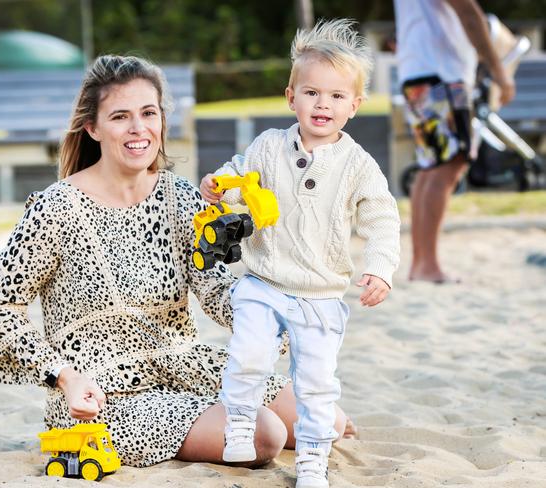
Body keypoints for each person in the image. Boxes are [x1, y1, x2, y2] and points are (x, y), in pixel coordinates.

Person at [0, 54, 355, 470]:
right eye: (120, 116)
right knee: (266, 435)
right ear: (93, 128)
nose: (138, 128)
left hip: (185, 363)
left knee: (329, 422)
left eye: (148, 113)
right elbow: (0, 308)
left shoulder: (179, 196)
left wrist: (272, 314)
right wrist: (63, 377)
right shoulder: (55, 207)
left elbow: (212, 288)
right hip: (101, 391)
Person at [199, 19, 400, 488]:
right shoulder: (269, 147)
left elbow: (382, 220)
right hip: (264, 282)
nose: (322, 104)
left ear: (354, 105)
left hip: (321, 295)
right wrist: (218, 187)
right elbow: (238, 177)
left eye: (335, 96)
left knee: (315, 383)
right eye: (311, 93)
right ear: (292, 97)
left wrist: (380, 269)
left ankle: (312, 456)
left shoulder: (357, 166)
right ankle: (241, 424)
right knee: (248, 355)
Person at [393, 0, 516, 283]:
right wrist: (498, 71)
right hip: (441, 74)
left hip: (418, 69)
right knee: (448, 165)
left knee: (431, 166)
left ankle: (421, 263)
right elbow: (467, 11)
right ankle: (427, 265)